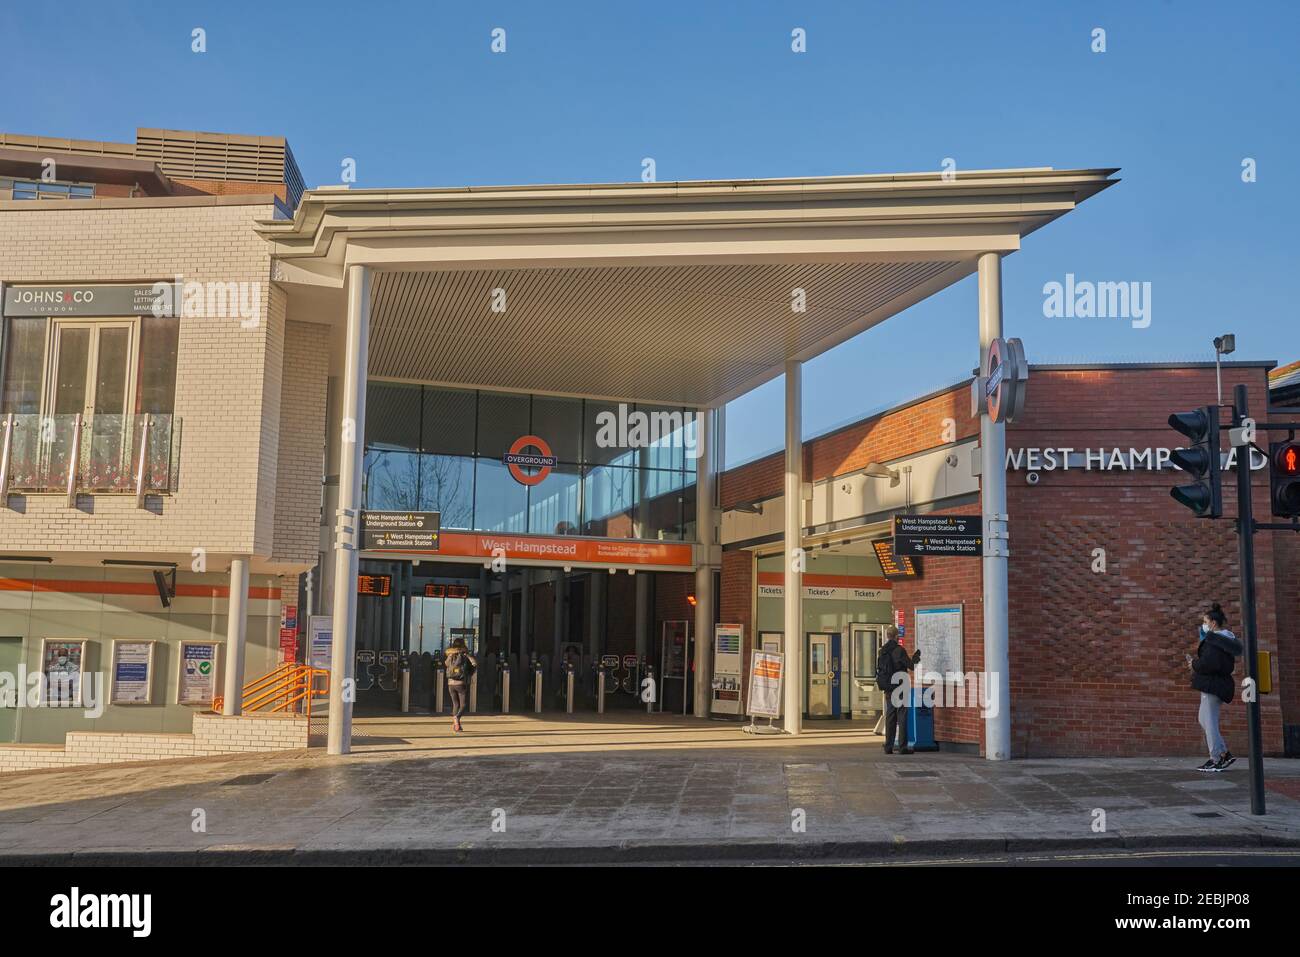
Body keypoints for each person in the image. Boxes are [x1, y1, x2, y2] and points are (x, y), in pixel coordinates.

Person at [1188, 602, 1242, 772]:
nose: (1203, 625)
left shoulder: (1214, 641)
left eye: (1205, 621)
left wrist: (1193, 664)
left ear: (1212, 623)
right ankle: (1224, 753)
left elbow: (1210, 663)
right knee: (1204, 719)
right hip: (1219, 685)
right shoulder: (1226, 640)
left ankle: (1215, 758)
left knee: (1209, 721)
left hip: (1212, 685)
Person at [876, 625, 921, 755]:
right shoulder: (899, 650)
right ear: (897, 636)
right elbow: (911, 666)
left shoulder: (882, 651)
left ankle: (888, 746)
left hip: (888, 688)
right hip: (900, 687)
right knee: (902, 715)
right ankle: (902, 747)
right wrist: (916, 657)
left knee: (890, 716)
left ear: (887, 636)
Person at [445, 637, 477, 733]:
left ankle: (457, 725)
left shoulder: (450, 655)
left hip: (450, 683)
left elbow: (446, 664)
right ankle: (457, 718)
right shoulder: (464, 655)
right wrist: (468, 656)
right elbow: (474, 664)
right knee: (463, 705)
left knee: (455, 704)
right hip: (460, 683)